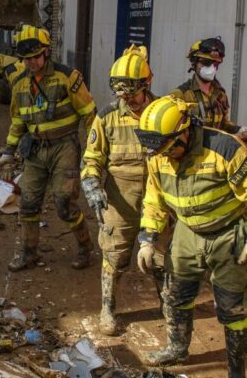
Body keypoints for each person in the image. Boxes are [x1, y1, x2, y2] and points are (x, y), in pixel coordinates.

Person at [134, 95, 247, 376]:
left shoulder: (225, 149)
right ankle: (177, 349)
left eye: (165, 147)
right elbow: (154, 198)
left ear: (184, 132)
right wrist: (148, 239)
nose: (159, 154)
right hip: (186, 230)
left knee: (232, 310)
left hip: (228, 233)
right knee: (175, 295)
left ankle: (236, 370)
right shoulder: (158, 154)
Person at [0, 25, 97, 271]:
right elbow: (18, 122)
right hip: (35, 150)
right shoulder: (19, 84)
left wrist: (94, 152)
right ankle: (28, 252)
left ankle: (85, 247)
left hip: (65, 147)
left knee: (64, 202)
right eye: (26, 59)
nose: (31, 63)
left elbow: (90, 115)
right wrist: (8, 152)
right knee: (28, 203)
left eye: (35, 57)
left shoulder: (67, 77)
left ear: (46, 52)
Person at [81, 44, 163, 335]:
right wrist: (92, 184)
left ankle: (167, 305)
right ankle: (107, 307)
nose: (126, 100)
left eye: (132, 93)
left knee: (160, 256)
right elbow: (92, 158)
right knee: (114, 255)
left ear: (146, 84)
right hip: (119, 198)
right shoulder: (107, 117)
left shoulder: (163, 113)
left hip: (160, 198)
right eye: (120, 94)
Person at [170, 37, 247, 139]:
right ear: (194, 63)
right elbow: (173, 134)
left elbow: (223, 125)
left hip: (216, 153)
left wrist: (239, 130)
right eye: (206, 62)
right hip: (192, 153)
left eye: (215, 64)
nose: (211, 68)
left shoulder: (220, 95)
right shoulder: (180, 95)